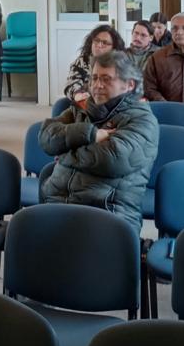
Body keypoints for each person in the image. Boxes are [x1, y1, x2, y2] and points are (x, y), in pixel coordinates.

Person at [39, 51, 159, 235]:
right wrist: (91, 134)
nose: (97, 85)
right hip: (57, 206)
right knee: (23, 239)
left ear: (129, 85)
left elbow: (111, 160)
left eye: (106, 79)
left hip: (107, 213)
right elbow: (46, 138)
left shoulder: (143, 120)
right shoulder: (81, 109)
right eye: (94, 78)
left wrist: (64, 151)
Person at [60, 26, 124, 113]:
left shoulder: (121, 63)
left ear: (113, 47)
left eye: (104, 43)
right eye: (96, 41)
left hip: (112, 107)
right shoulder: (82, 61)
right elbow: (71, 83)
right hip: (86, 103)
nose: (99, 45)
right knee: (60, 105)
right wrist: (78, 94)